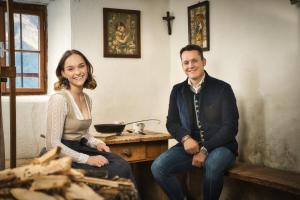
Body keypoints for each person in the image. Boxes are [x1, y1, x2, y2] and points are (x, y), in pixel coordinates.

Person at [151, 44, 239, 200]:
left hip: (222, 146)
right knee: (158, 167)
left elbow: (230, 128)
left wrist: (204, 150)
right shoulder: (177, 90)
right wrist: (185, 138)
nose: (190, 66)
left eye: (194, 61)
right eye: (186, 62)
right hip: (190, 146)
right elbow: (172, 122)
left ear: (204, 62)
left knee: (211, 166)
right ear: (182, 65)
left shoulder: (223, 88)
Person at [46, 49, 135, 181]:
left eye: (81, 66)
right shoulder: (59, 99)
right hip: (63, 154)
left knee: (123, 165)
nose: (77, 72)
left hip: (80, 147)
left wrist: (96, 143)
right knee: (110, 171)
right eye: (70, 69)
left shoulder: (87, 99)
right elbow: (52, 144)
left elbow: (83, 134)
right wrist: (87, 159)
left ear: (87, 68)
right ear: (63, 73)